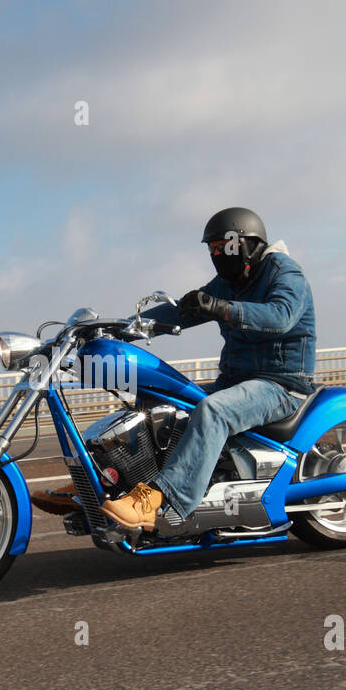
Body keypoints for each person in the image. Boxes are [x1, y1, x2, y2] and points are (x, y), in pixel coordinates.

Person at [97, 207, 317, 529]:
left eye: (220, 247)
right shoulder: (230, 281)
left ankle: (162, 499)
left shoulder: (284, 273)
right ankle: (106, 482)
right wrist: (127, 327)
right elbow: (184, 314)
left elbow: (280, 316)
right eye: (211, 249)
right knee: (163, 405)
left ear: (243, 243)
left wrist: (222, 309)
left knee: (213, 411)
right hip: (236, 382)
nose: (215, 254)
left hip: (280, 385)